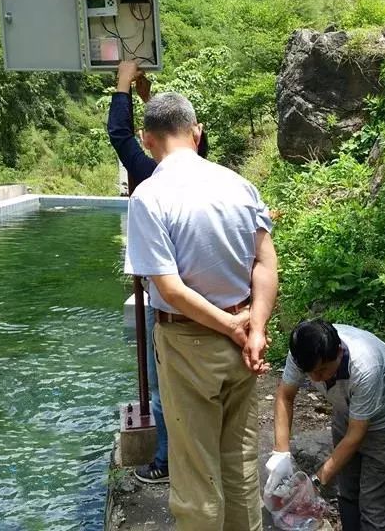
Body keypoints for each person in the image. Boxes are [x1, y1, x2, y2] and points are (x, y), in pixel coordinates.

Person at [123, 90, 278, 531]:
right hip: (246, 340)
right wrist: (256, 329)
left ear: (146, 139)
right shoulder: (239, 185)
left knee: (195, 475)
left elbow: (168, 288)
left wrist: (231, 325)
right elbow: (265, 262)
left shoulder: (150, 197)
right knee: (240, 466)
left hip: (189, 343)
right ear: (197, 132)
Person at [108, 61, 201, 483]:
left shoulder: (148, 177)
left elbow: (120, 136)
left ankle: (164, 461)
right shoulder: (209, 176)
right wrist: (150, 99)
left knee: (162, 386)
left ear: (150, 140)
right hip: (210, 299)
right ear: (194, 135)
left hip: (168, 302)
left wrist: (123, 85)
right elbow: (180, 132)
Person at [271, 319, 385, 531]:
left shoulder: (365, 367)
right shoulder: (303, 351)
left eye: (322, 370)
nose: (315, 378)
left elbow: (355, 435)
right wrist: (281, 455)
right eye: (310, 373)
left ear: (338, 352)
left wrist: (316, 481)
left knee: (374, 511)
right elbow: (285, 396)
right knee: (347, 493)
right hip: (347, 412)